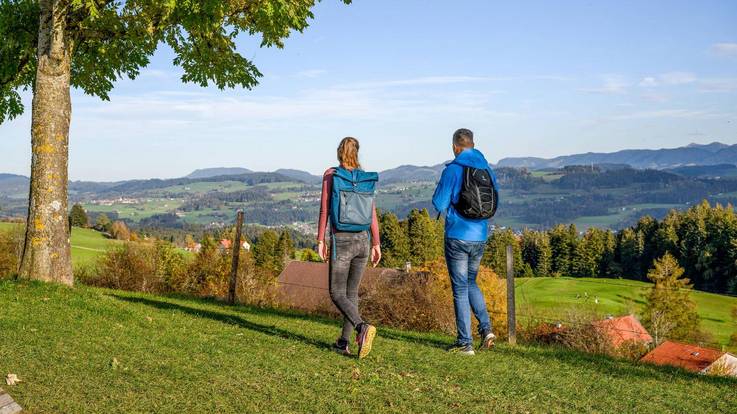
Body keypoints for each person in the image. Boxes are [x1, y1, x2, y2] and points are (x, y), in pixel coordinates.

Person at [432, 128, 498, 356]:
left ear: (455, 147)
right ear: (473, 144)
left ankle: (465, 343)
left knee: (460, 288)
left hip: (457, 235)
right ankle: (486, 329)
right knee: (471, 282)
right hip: (480, 235)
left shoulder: (453, 170)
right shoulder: (487, 169)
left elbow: (439, 204)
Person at [317, 137, 382, 358]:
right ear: (357, 153)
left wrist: (320, 240)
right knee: (351, 293)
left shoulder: (331, 175)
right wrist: (376, 243)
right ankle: (343, 342)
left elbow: (324, 210)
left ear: (339, 152)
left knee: (336, 292)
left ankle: (362, 327)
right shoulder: (364, 179)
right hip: (363, 240)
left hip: (342, 240)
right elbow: (372, 212)